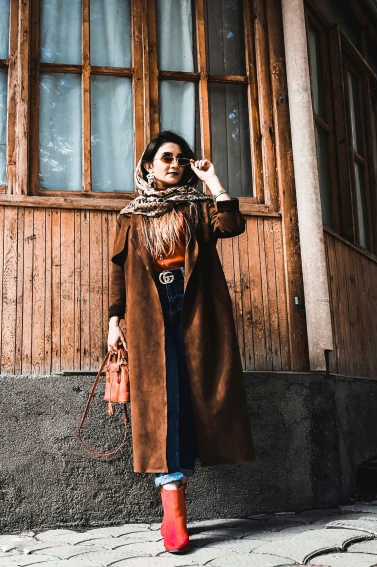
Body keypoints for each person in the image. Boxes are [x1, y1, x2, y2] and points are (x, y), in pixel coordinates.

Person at [107, 131, 255, 553]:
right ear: (149, 165)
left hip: (196, 308)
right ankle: (172, 512)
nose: (174, 163)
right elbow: (119, 272)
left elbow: (232, 224)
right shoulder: (130, 217)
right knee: (161, 402)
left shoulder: (199, 207)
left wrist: (213, 183)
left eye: (181, 158)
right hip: (148, 313)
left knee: (197, 396)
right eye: (165, 157)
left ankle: (181, 499)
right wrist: (115, 319)